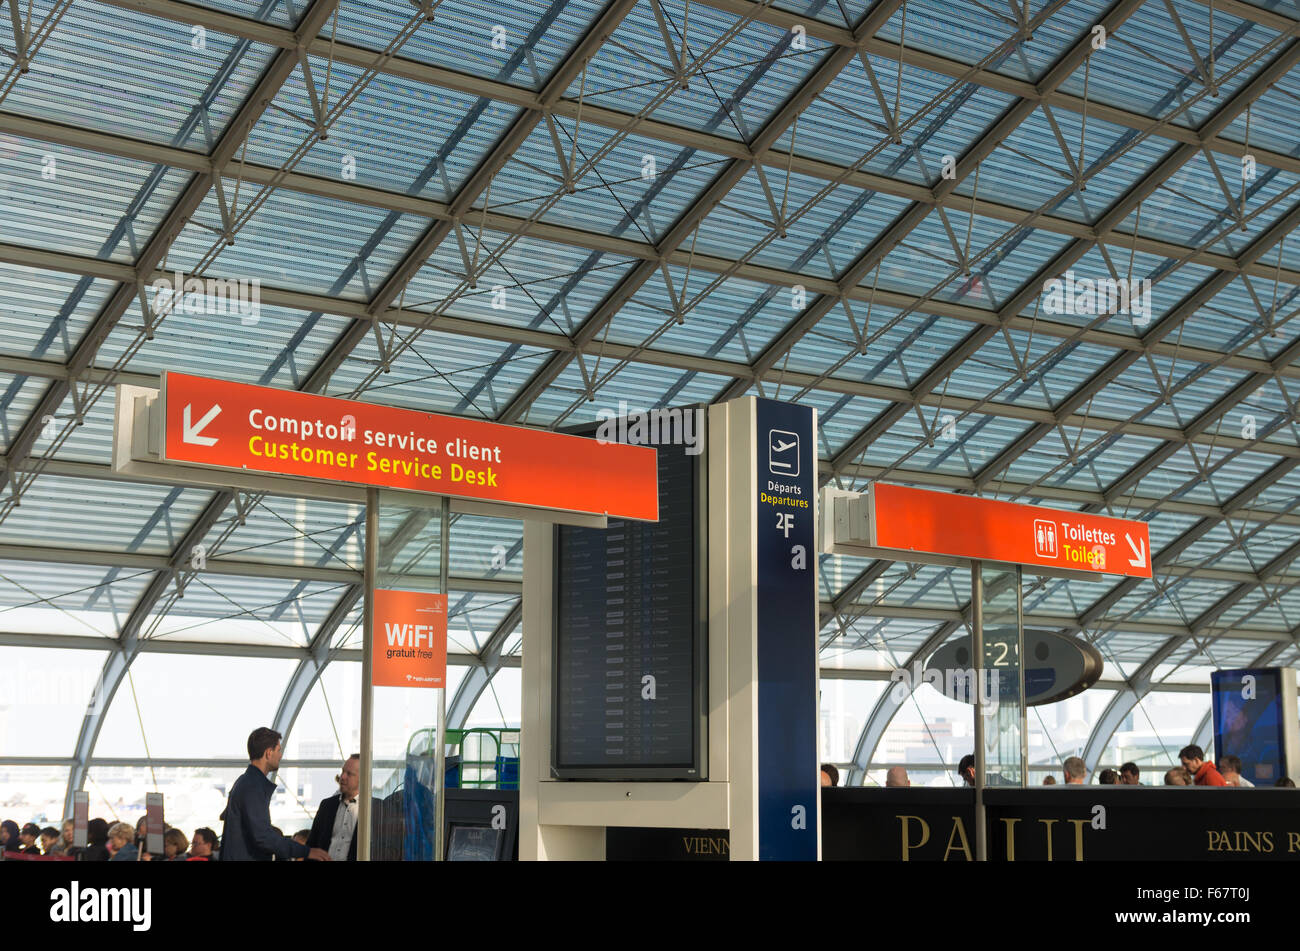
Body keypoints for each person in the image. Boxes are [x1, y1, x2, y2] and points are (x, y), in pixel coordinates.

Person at [220, 727, 327, 862]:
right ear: (269, 753)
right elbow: (262, 837)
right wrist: (307, 851)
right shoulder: (253, 787)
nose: (281, 755)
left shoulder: (243, 782)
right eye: (279, 750)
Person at [307, 754, 366, 862]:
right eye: (343, 771)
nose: (342, 777)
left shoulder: (373, 809)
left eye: (349, 774)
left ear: (362, 777)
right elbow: (312, 844)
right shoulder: (326, 805)